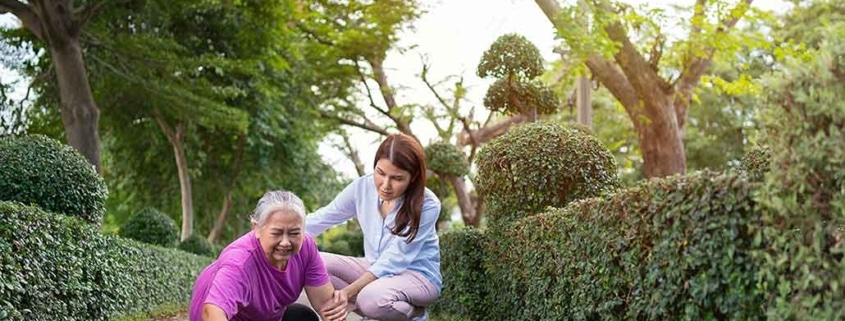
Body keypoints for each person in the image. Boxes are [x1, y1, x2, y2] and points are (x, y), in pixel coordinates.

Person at [305, 133, 442, 321]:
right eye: (380, 173)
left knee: (371, 299)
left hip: (418, 277)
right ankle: (378, 312)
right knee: (313, 263)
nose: (385, 185)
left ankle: (413, 312)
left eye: (397, 178)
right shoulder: (362, 187)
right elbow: (323, 217)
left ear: (413, 177)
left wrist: (347, 292)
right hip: (373, 267)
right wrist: (266, 235)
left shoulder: (427, 204)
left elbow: (395, 258)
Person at [189, 191, 348, 321]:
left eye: (294, 233)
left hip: (262, 316)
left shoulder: (306, 248)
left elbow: (327, 305)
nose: (285, 242)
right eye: (277, 233)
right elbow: (212, 312)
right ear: (257, 228)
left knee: (302, 317)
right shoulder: (240, 261)